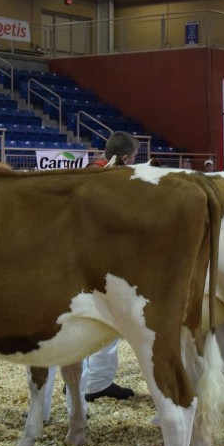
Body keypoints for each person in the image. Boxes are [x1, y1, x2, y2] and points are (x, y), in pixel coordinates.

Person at [76, 131, 138, 404]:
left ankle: (79, 381)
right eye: (133, 158)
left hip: (82, 257)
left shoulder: (87, 172)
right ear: (124, 158)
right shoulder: (112, 178)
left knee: (87, 320)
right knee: (109, 322)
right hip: (103, 258)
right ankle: (97, 383)